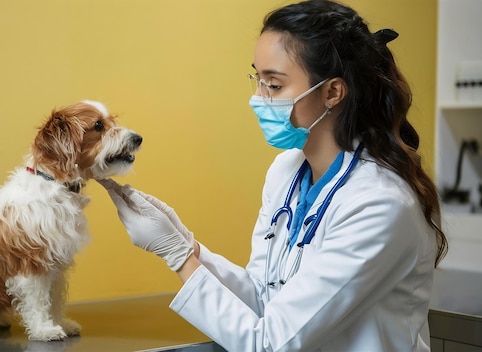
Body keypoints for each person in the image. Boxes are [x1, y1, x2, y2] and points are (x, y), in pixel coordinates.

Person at [98, 0, 448, 351]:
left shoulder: (379, 204)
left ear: (332, 92)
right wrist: (189, 245)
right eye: (258, 78)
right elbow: (264, 298)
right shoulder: (287, 171)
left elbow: (270, 343)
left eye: (274, 85)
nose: (258, 98)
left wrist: (177, 257)